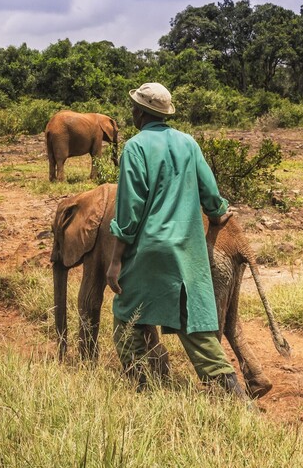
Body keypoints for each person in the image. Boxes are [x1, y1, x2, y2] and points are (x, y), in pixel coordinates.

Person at [105, 82, 250, 403]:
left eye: (134, 106)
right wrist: (218, 214)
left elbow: (129, 210)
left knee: (127, 320)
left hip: (148, 252)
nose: (132, 111)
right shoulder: (188, 143)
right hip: (187, 254)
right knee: (197, 331)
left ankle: (144, 393)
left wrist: (116, 260)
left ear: (141, 112)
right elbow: (211, 194)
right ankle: (238, 403)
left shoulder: (135, 147)